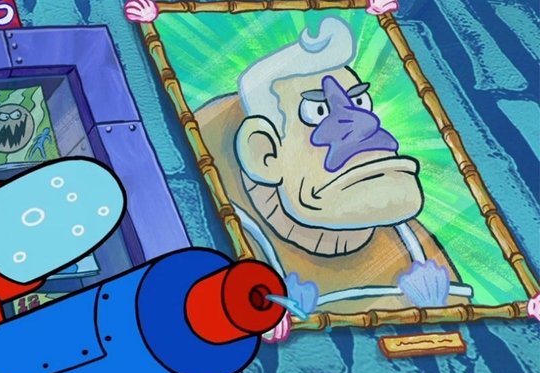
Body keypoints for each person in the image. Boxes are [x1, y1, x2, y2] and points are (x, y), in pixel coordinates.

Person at [195, 17, 471, 315]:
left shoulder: (407, 240)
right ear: (265, 153)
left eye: (360, 102)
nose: (365, 125)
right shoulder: (229, 229)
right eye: (318, 110)